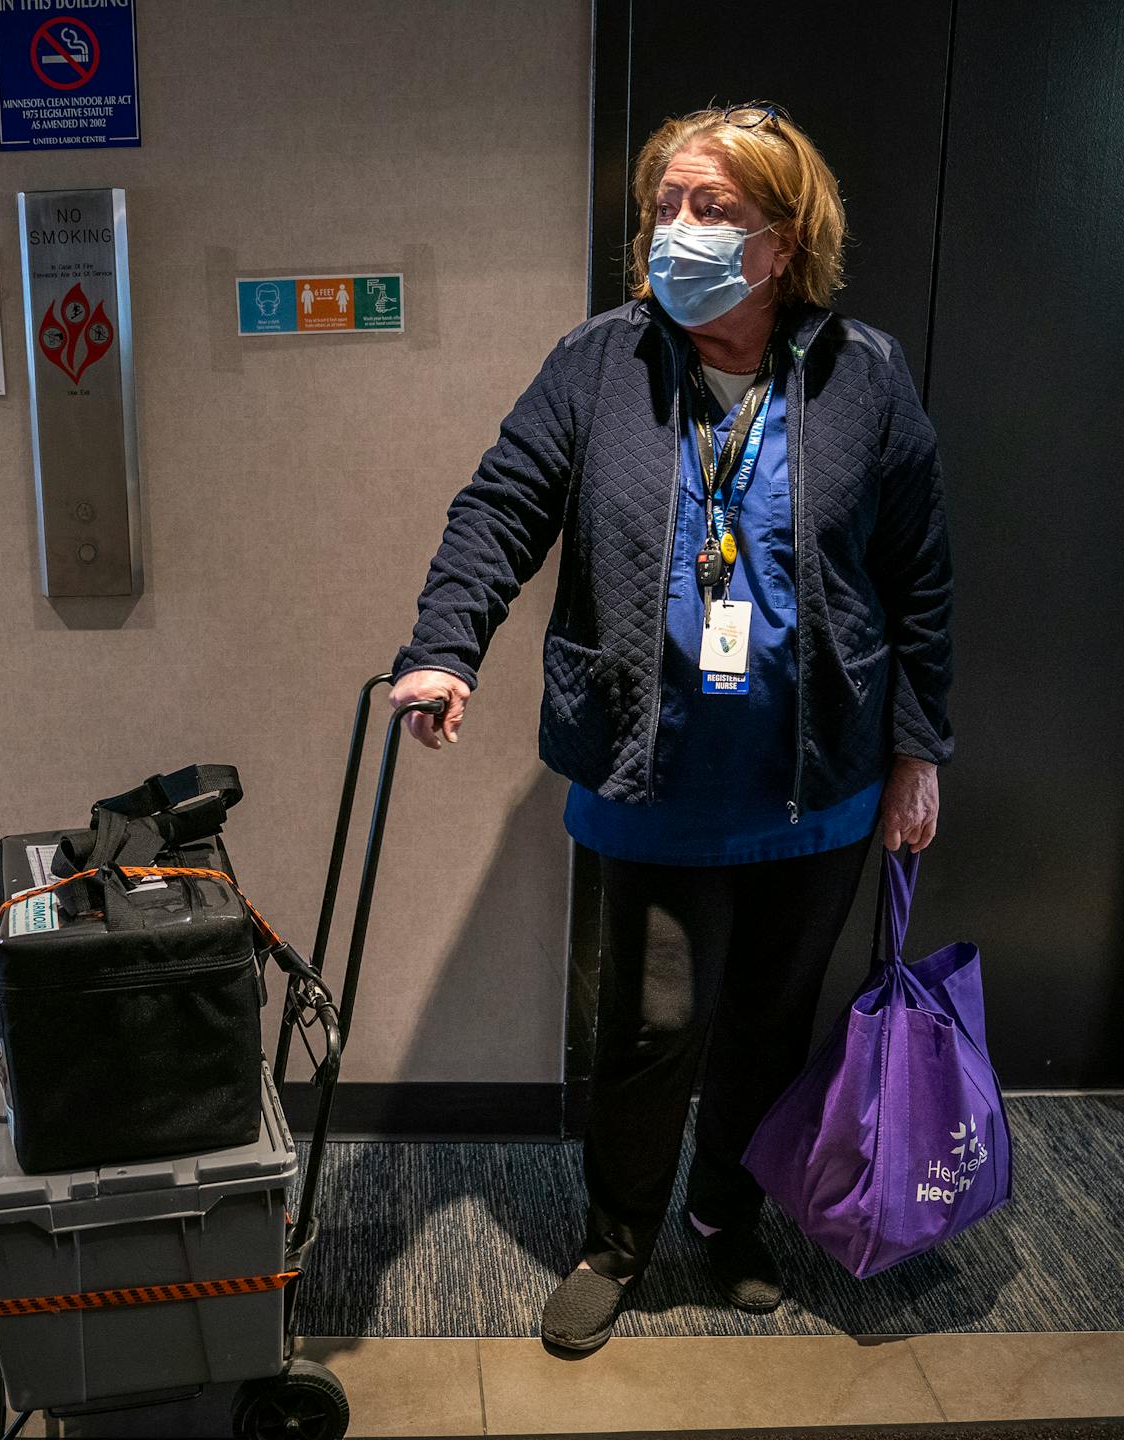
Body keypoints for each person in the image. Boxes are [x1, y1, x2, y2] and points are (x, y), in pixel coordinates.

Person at [389, 104, 952, 1354]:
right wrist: (443, 647)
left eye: (712, 209)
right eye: (664, 206)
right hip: (654, 780)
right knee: (651, 1032)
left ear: (784, 241)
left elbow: (919, 577)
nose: (675, 231)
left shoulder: (863, 376)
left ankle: (726, 1215)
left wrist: (918, 752)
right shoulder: (599, 363)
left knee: (770, 1026)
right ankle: (617, 1237)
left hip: (818, 784)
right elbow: (502, 506)